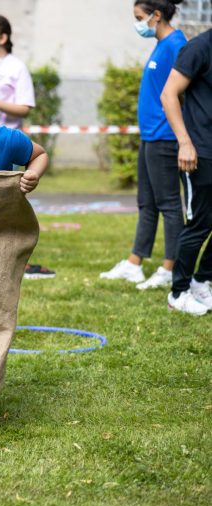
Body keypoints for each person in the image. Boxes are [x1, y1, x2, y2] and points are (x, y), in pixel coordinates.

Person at [100, 0, 187, 290]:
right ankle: (135, 264)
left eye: (139, 17)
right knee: (146, 203)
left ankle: (169, 268)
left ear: (156, 15)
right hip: (150, 136)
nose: (137, 23)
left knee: (169, 205)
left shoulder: (176, 45)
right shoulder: (161, 45)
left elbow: (183, 92)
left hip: (165, 137)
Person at [0, 14, 53, 280]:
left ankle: (14, 259)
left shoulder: (16, 67)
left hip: (5, 143)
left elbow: (24, 108)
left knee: (6, 202)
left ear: (3, 37)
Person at [161, 28, 212, 315]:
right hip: (200, 152)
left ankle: (200, 281)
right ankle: (177, 292)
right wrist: (185, 142)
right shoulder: (199, 47)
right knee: (199, 224)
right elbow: (169, 94)